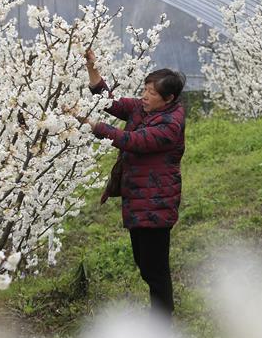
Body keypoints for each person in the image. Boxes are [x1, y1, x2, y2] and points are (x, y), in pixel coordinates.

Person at [77, 49, 186, 320]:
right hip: (139, 199)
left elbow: (133, 141)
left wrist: (92, 125)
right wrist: (92, 68)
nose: (144, 96)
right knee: (145, 263)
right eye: (145, 89)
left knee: (154, 268)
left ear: (169, 98)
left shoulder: (170, 125)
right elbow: (109, 102)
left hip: (157, 202)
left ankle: (162, 321)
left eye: (151, 92)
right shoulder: (143, 108)